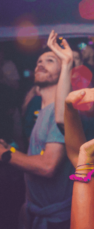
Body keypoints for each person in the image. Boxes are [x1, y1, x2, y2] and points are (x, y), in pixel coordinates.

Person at [0, 31, 74, 228]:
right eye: (38, 61)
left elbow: (47, 166)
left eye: (49, 60)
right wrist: (28, 204)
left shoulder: (60, 114)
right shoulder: (42, 112)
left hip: (57, 219)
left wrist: (6, 154)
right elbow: (35, 162)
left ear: (63, 71)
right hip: (37, 211)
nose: (40, 64)